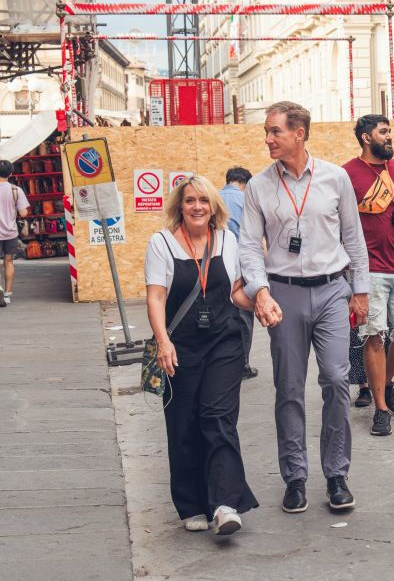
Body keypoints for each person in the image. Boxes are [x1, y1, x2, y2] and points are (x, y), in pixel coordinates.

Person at [238, 101, 369, 514]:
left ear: (299, 133)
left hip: (332, 290)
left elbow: (353, 237)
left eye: (274, 131)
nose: (268, 139)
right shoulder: (259, 186)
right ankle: (295, 476)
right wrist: (260, 291)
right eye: (267, 131)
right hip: (283, 293)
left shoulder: (335, 178)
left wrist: (360, 290)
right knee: (289, 388)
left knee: (335, 379)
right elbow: (248, 247)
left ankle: (336, 474)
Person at [144, 175, 259, 535]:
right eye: (191, 200)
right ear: (180, 205)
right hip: (180, 345)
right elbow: (156, 296)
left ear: (214, 208)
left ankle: (225, 503)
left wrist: (263, 303)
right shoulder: (161, 243)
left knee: (217, 416)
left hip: (224, 342)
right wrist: (163, 341)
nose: (197, 207)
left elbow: (237, 293)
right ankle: (192, 503)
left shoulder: (226, 240)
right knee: (183, 424)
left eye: (204, 201)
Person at [343, 114, 394, 437]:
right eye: (383, 132)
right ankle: (380, 407)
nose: (389, 137)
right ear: (367, 138)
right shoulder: (347, 175)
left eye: (390, 131)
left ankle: (386, 380)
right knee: (374, 336)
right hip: (369, 272)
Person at [221, 166, 258, 380]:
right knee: (244, 314)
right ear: (245, 183)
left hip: (216, 263)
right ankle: (242, 364)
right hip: (241, 264)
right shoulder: (245, 200)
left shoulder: (213, 197)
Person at [0, 160, 29, 307]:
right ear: (11, 174)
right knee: (9, 262)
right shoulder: (16, 190)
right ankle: (7, 294)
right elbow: (23, 213)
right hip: (10, 233)